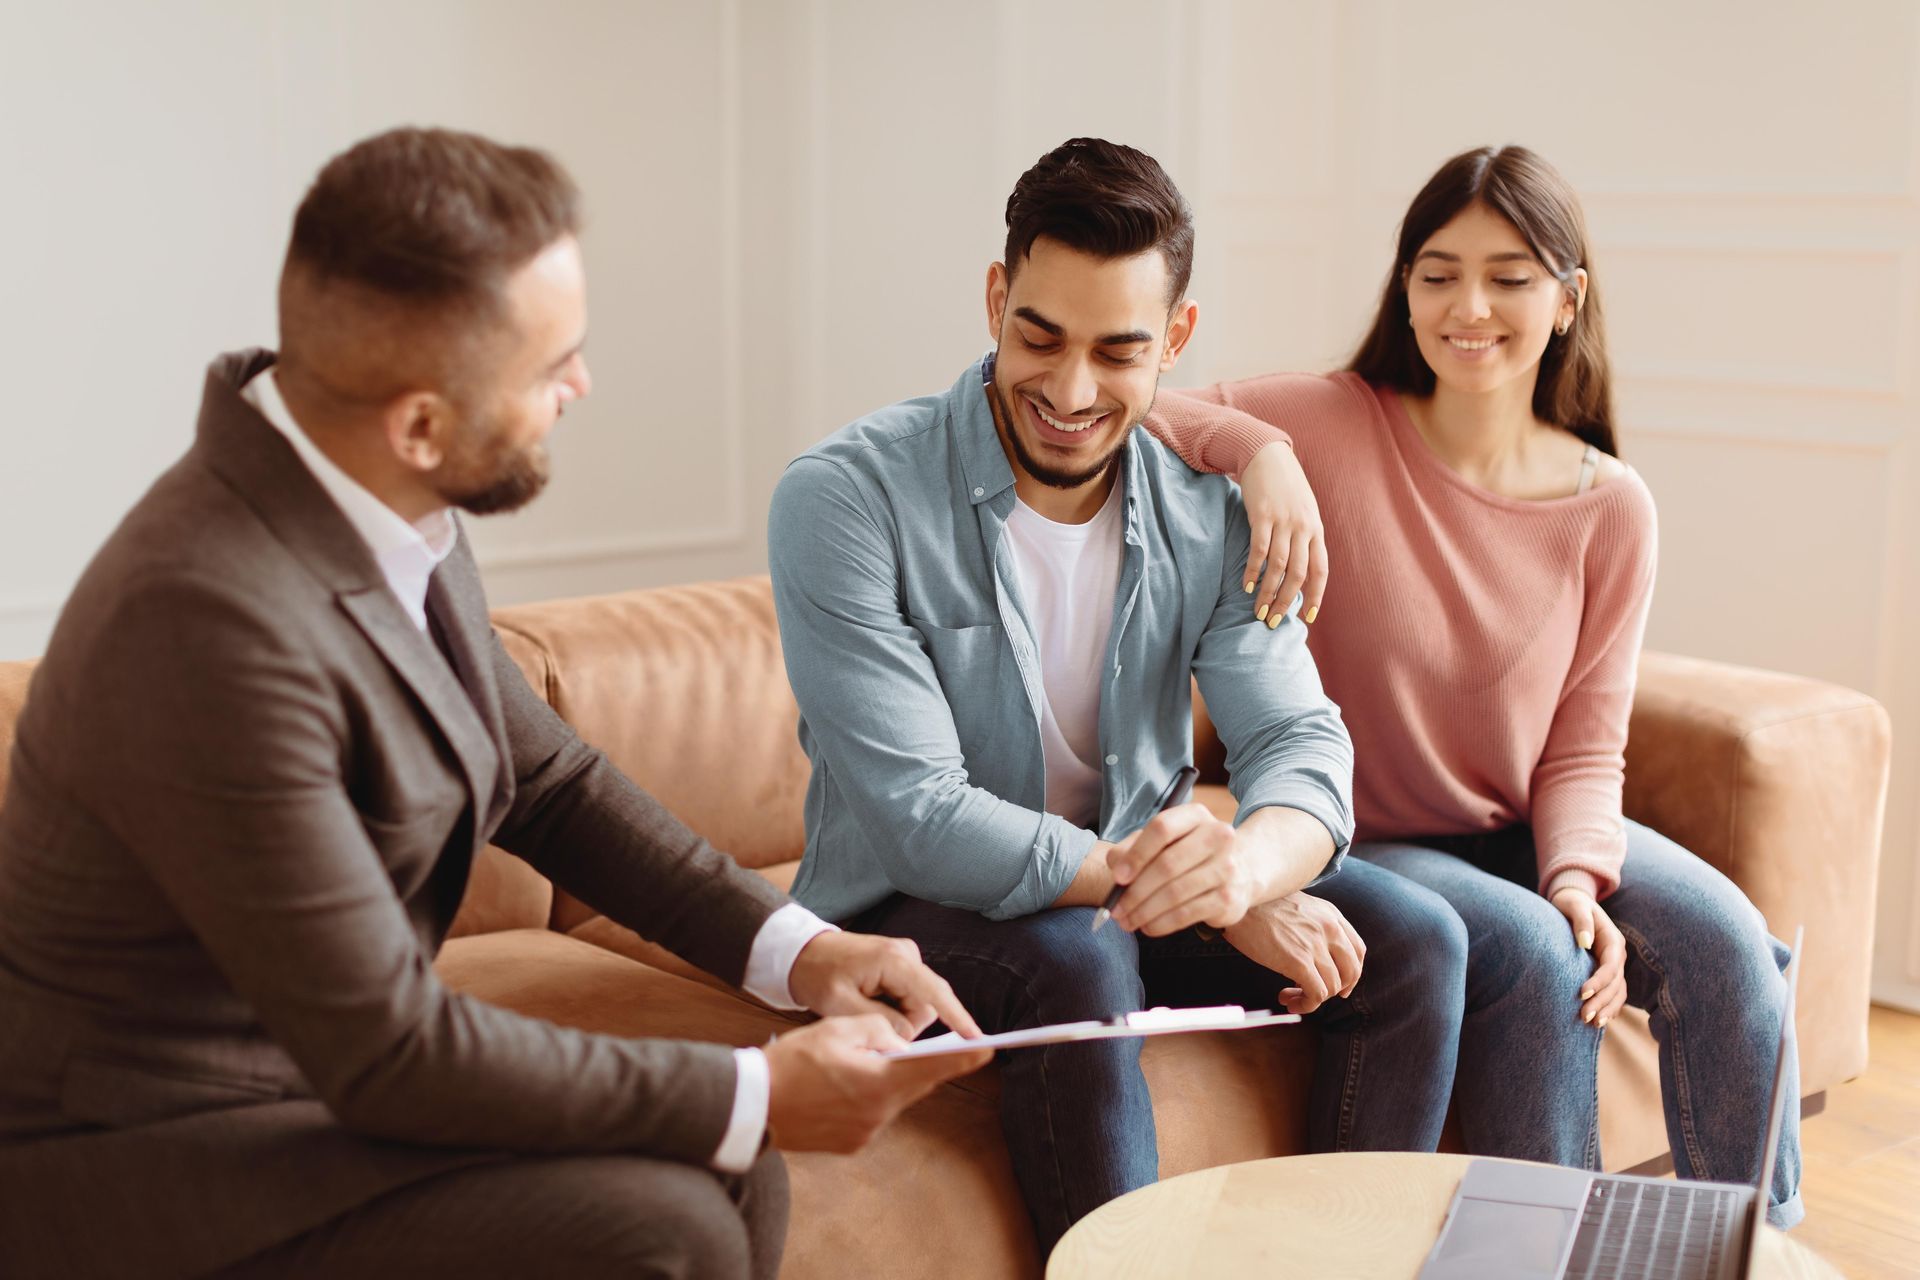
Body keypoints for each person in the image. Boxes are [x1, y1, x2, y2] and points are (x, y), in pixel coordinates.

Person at [0, 126, 990, 1280]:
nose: (583, 384)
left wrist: (804, 951)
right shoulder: (206, 627)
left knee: (730, 1162)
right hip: (153, 1153)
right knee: (661, 1217)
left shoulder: (377, 487)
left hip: (307, 1084)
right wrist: (760, 1084)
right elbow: (387, 1048)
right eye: (549, 365)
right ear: (420, 421)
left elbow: (552, 784)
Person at [767, 136, 1468, 1257]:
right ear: (997, 299)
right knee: (1083, 955)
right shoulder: (846, 499)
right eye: (1039, 336)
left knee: (1418, 939)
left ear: (1176, 341)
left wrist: (1246, 867)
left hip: (1124, 887)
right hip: (913, 903)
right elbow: (921, 815)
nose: (1072, 390)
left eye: (1118, 350)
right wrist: (1205, 895)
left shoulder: (1215, 511)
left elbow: (1297, 738)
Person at [1144, 144, 1802, 1227]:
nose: (1470, 305)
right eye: (1438, 272)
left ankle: (1757, 1248)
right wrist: (1259, 450)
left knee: (1728, 941)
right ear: (1403, 288)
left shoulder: (1611, 505)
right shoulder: (1334, 421)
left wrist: (1580, 875)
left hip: (1516, 821)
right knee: (1538, 955)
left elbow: (1587, 743)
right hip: (1369, 832)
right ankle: (1544, 1252)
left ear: (1566, 298)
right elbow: (1144, 406)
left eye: (1510, 275)